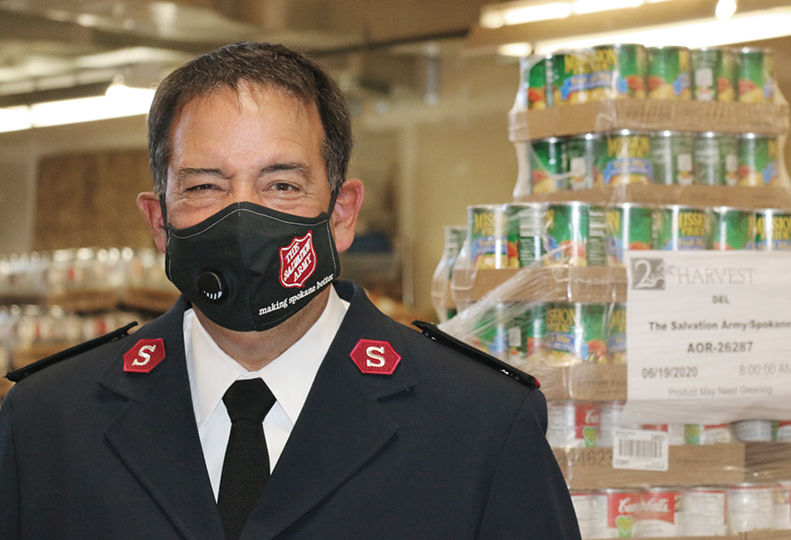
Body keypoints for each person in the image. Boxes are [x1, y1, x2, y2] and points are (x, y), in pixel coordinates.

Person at [0, 42, 581, 540]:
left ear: (342, 213)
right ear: (158, 221)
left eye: (281, 185)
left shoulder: (479, 424)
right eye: (204, 186)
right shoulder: (48, 423)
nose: (242, 218)